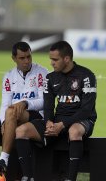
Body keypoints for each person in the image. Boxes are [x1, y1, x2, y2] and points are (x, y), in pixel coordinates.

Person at [15, 40, 97, 181]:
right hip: (58, 122)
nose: (52, 63)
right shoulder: (50, 78)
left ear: (66, 59)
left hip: (82, 120)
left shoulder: (87, 76)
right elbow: (48, 106)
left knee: (74, 131)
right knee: (21, 131)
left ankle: (70, 179)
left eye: (55, 59)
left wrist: (62, 125)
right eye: (50, 59)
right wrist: (48, 122)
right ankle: (27, 177)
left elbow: (87, 110)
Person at [0, 41, 48, 178]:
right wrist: (3, 122)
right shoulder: (8, 76)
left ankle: (4, 160)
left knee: (11, 111)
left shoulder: (42, 73)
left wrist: (26, 103)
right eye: (22, 58)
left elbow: (44, 101)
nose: (26, 61)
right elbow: (5, 103)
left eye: (29, 57)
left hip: (34, 115)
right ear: (14, 58)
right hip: (10, 115)